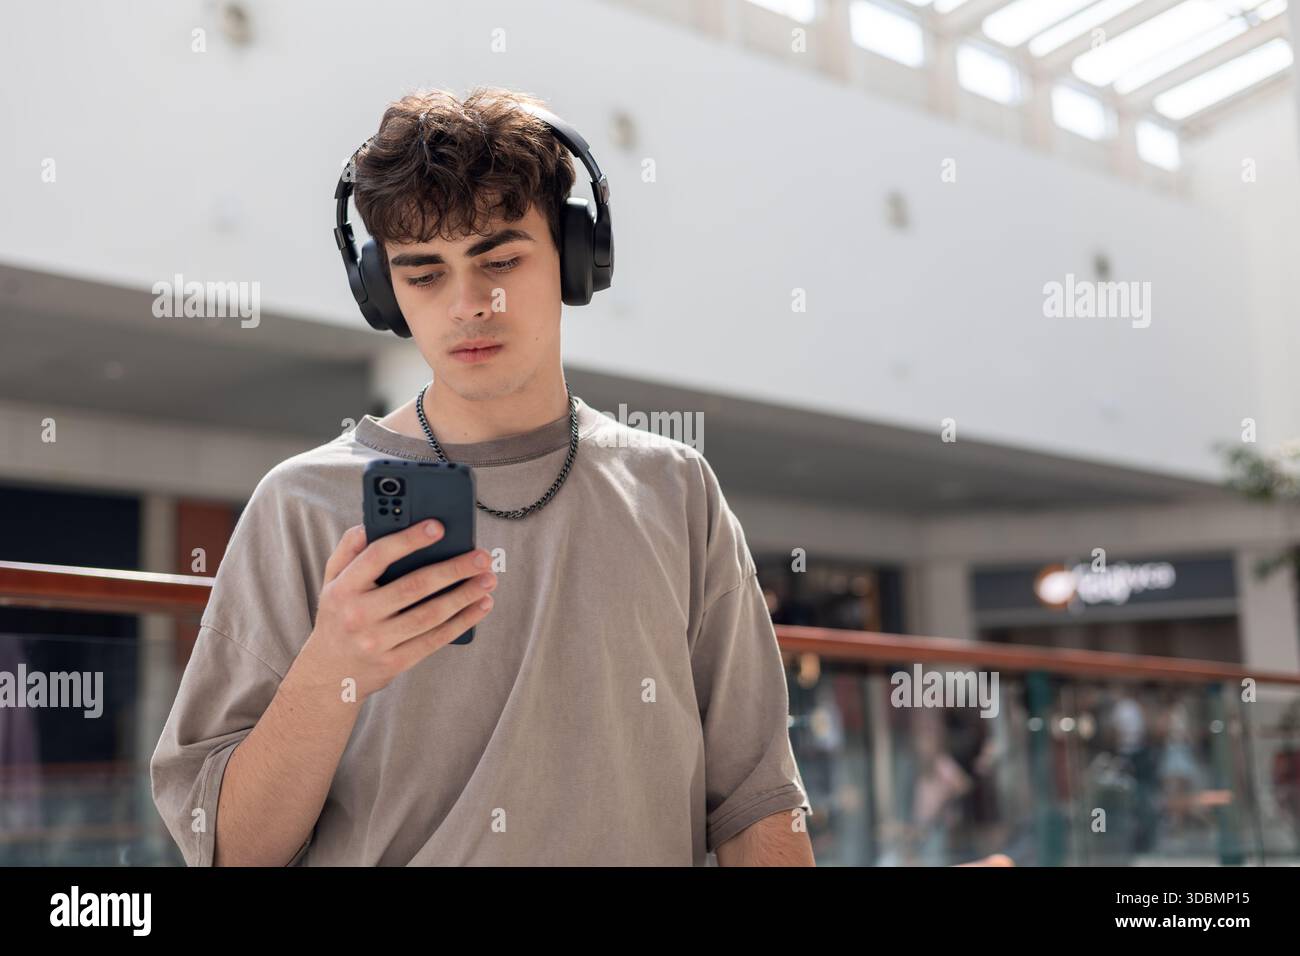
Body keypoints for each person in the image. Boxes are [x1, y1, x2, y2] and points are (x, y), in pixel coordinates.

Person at [149, 87, 813, 866]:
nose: (468, 304)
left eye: (498, 259)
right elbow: (226, 850)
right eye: (423, 274)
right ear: (382, 292)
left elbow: (757, 801)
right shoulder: (300, 505)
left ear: (573, 257)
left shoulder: (674, 489)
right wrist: (332, 668)